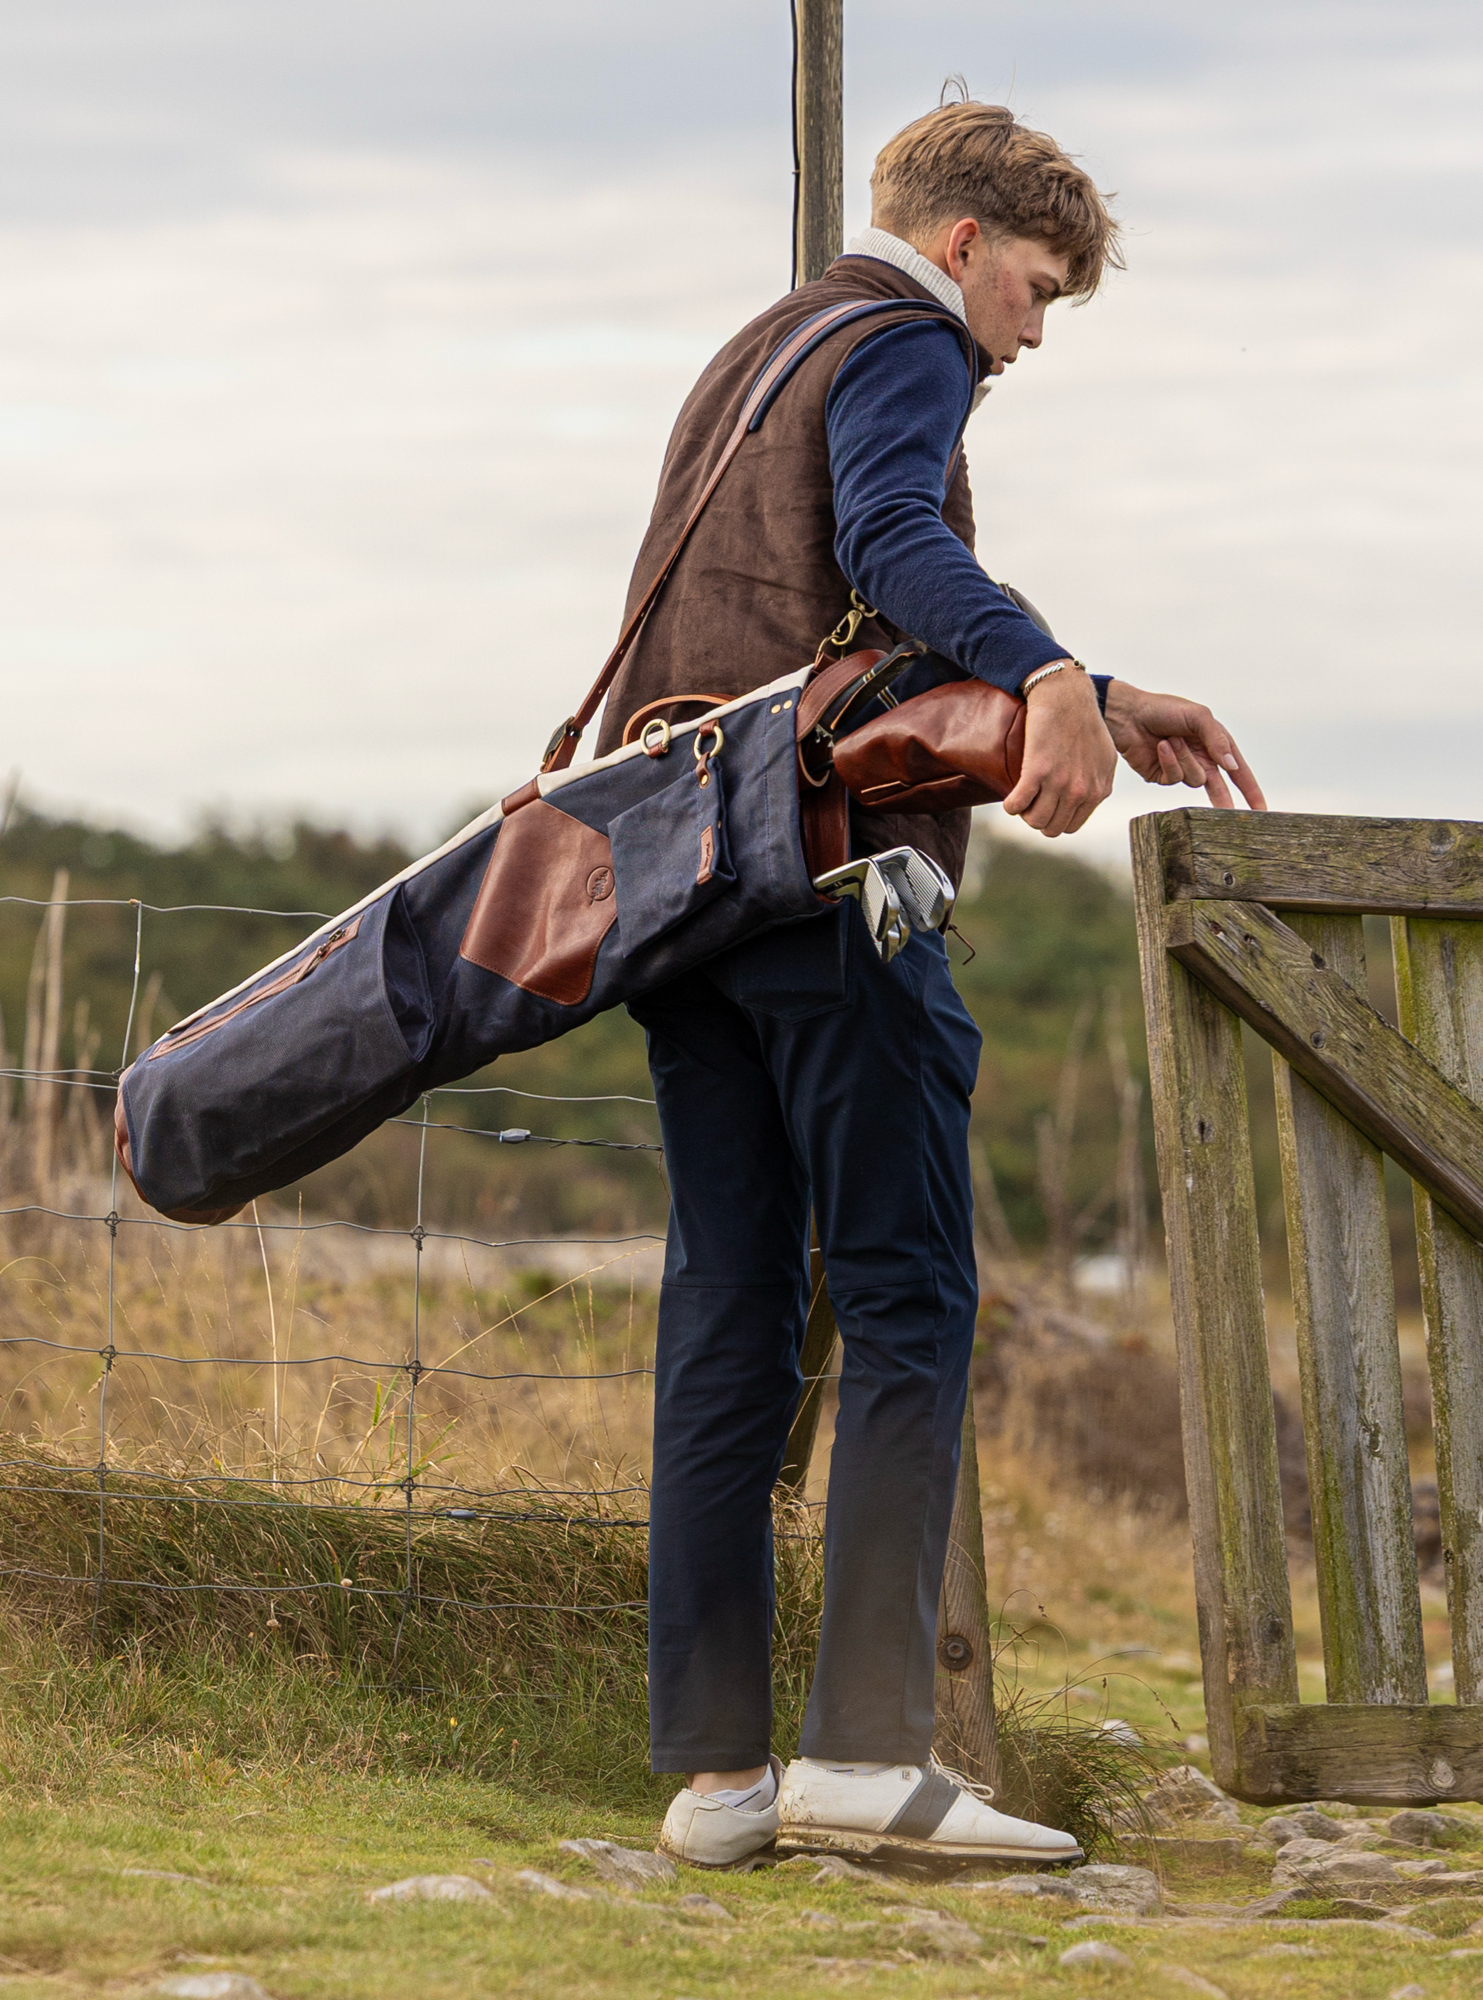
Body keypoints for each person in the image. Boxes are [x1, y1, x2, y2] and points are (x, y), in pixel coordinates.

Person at [595, 99, 1265, 1868]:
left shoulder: (757, 352)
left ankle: (719, 1781)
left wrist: (1092, 690)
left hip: (679, 891)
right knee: (907, 1301)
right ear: (963, 246)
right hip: (829, 897)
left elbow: (832, 630)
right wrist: (1043, 665)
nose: (1033, 338)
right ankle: (869, 1755)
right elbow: (896, 546)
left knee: (727, 1315)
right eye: (1036, 292)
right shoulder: (905, 340)